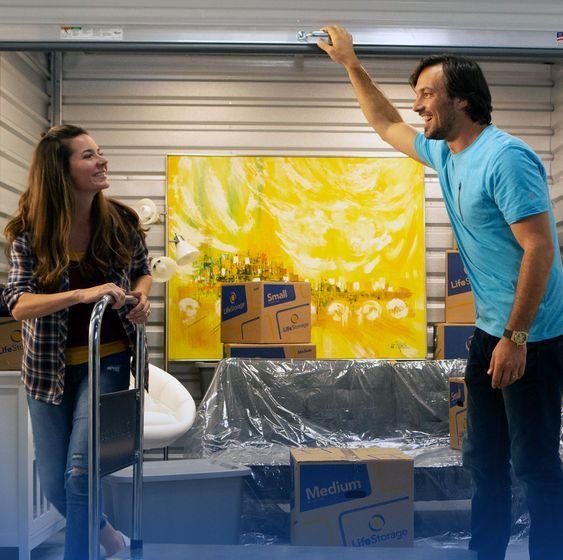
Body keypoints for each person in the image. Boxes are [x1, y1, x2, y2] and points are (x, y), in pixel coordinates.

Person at [318, 26, 563, 560]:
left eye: (427, 94)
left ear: (463, 101)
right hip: (491, 331)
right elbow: (385, 123)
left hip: (535, 338)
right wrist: (351, 64)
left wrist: (517, 338)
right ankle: (486, 552)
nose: (417, 105)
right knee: (484, 460)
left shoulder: (506, 158)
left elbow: (539, 248)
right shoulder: (447, 153)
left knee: (536, 465)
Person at [2, 124, 152, 560]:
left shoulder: (120, 221)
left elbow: (142, 270)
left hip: (106, 360)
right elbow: (19, 304)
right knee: (55, 485)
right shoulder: (29, 231)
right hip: (45, 370)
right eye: (88, 155)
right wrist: (82, 294)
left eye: (99, 152)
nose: (102, 160)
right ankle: (108, 539)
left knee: (81, 475)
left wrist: (140, 296)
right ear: (60, 170)